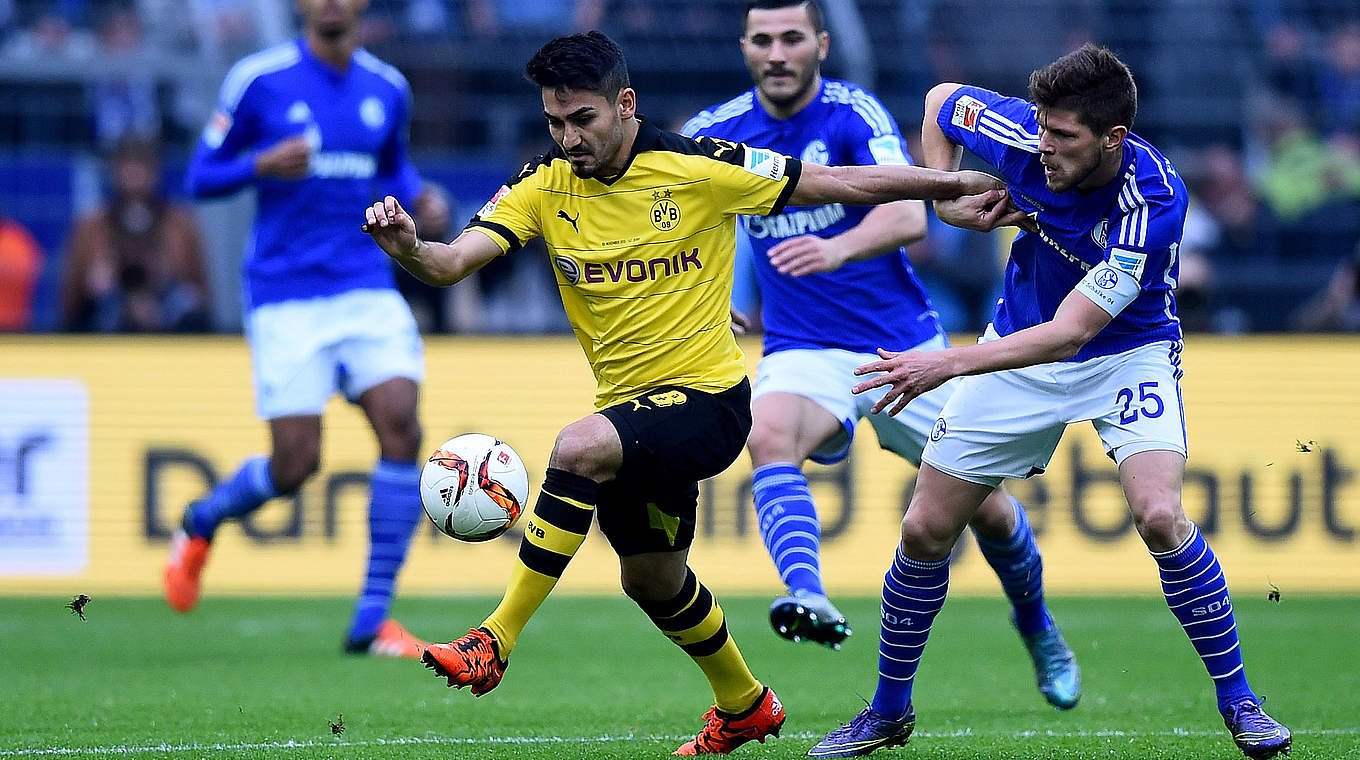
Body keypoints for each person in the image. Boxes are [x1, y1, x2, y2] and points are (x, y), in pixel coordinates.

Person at [361, 31, 1004, 756]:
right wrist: (411, 248)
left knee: (578, 447)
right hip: (632, 412)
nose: (568, 138)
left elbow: (839, 183)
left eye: (583, 120)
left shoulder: (700, 167)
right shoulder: (543, 184)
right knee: (651, 579)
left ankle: (494, 639)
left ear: (624, 104)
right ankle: (745, 704)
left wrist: (949, 185)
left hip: (709, 403)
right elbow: (450, 264)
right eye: (555, 123)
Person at [809, 44, 1292, 759]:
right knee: (923, 533)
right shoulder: (1021, 133)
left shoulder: (1152, 201)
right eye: (1042, 128)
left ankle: (1241, 703)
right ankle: (887, 712)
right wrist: (949, 200)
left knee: (1159, 515)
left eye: (1064, 138)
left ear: (1113, 139)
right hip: (1019, 339)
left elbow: (1072, 334)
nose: (1045, 148)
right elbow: (943, 98)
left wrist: (946, 362)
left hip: (1123, 351)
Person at [679, 0, 1079, 711]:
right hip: (803, 347)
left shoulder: (854, 114)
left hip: (904, 346)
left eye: (792, 38)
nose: (777, 52)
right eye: (763, 39)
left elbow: (904, 212)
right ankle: (808, 594)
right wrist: (703, 291)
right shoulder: (712, 133)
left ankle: (1038, 627)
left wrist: (835, 246)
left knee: (986, 512)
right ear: (744, 47)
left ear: (821, 44)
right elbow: (677, 224)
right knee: (768, 435)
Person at [163, 0, 430, 659]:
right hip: (286, 293)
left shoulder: (387, 87)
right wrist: (259, 164)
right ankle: (204, 519)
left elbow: (394, 170)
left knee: (401, 421)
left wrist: (424, 196)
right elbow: (198, 177)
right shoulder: (259, 79)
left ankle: (371, 620)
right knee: (295, 463)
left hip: (365, 282)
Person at [61, 136, 212, 333]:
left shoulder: (179, 226)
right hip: (104, 339)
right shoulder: (91, 229)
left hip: (169, 339)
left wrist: (168, 280)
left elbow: (203, 302)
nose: (135, 180)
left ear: (155, 172)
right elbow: (68, 308)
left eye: (142, 169)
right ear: (113, 173)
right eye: (127, 169)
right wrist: (92, 292)